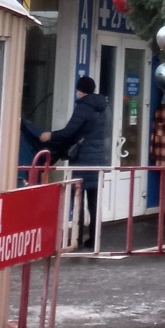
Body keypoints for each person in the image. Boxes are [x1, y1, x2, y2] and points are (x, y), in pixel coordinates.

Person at [42, 74, 109, 245]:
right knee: (93, 202)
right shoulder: (102, 108)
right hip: (97, 160)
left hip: (82, 160)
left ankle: (76, 238)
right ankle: (94, 239)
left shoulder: (84, 108)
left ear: (81, 91)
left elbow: (69, 132)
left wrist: (51, 136)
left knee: (77, 199)